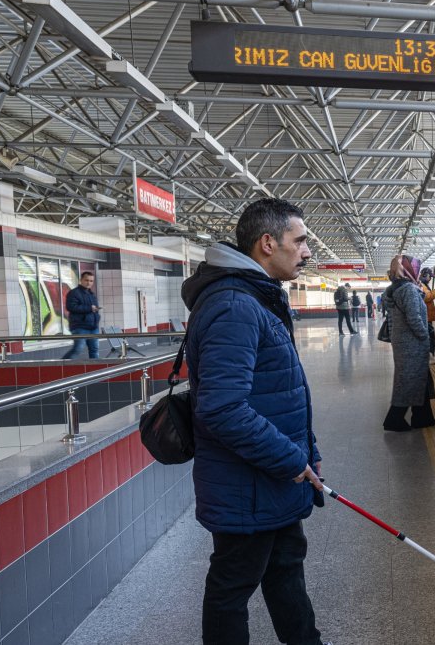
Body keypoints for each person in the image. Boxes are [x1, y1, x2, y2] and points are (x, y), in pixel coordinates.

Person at [180, 198, 330, 645]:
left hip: (270, 477)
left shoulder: (256, 299)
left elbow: (282, 392)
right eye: (300, 241)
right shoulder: (235, 306)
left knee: (285, 570)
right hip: (246, 483)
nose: (307, 252)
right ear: (268, 243)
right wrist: (290, 458)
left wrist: (309, 455)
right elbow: (222, 408)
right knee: (232, 588)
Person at [382, 255, 435, 432]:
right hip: (412, 343)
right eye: (415, 269)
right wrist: (424, 336)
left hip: (403, 342)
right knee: (409, 381)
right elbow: (414, 318)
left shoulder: (396, 289)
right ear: (409, 270)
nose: (418, 272)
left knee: (418, 379)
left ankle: (423, 417)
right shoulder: (409, 290)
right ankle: (394, 419)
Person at [62, 271, 102, 359]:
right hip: (80, 326)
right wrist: (89, 308)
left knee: (94, 350)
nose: (89, 283)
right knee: (77, 349)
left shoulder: (92, 294)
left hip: (93, 327)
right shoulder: (74, 293)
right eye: (86, 280)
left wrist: (96, 314)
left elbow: (93, 308)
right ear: (81, 280)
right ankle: (61, 365)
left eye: (91, 281)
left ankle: (96, 370)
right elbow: (71, 307)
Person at [419, 267, 435, 360]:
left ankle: (429, 355)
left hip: (427, 316)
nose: (430, 279)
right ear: (425, 276)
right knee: (430, 337)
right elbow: (428, 297)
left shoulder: (423, 285)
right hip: (426, 317)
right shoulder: (422, 286)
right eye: (429, 277)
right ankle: (429, 356)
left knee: (430, 337)